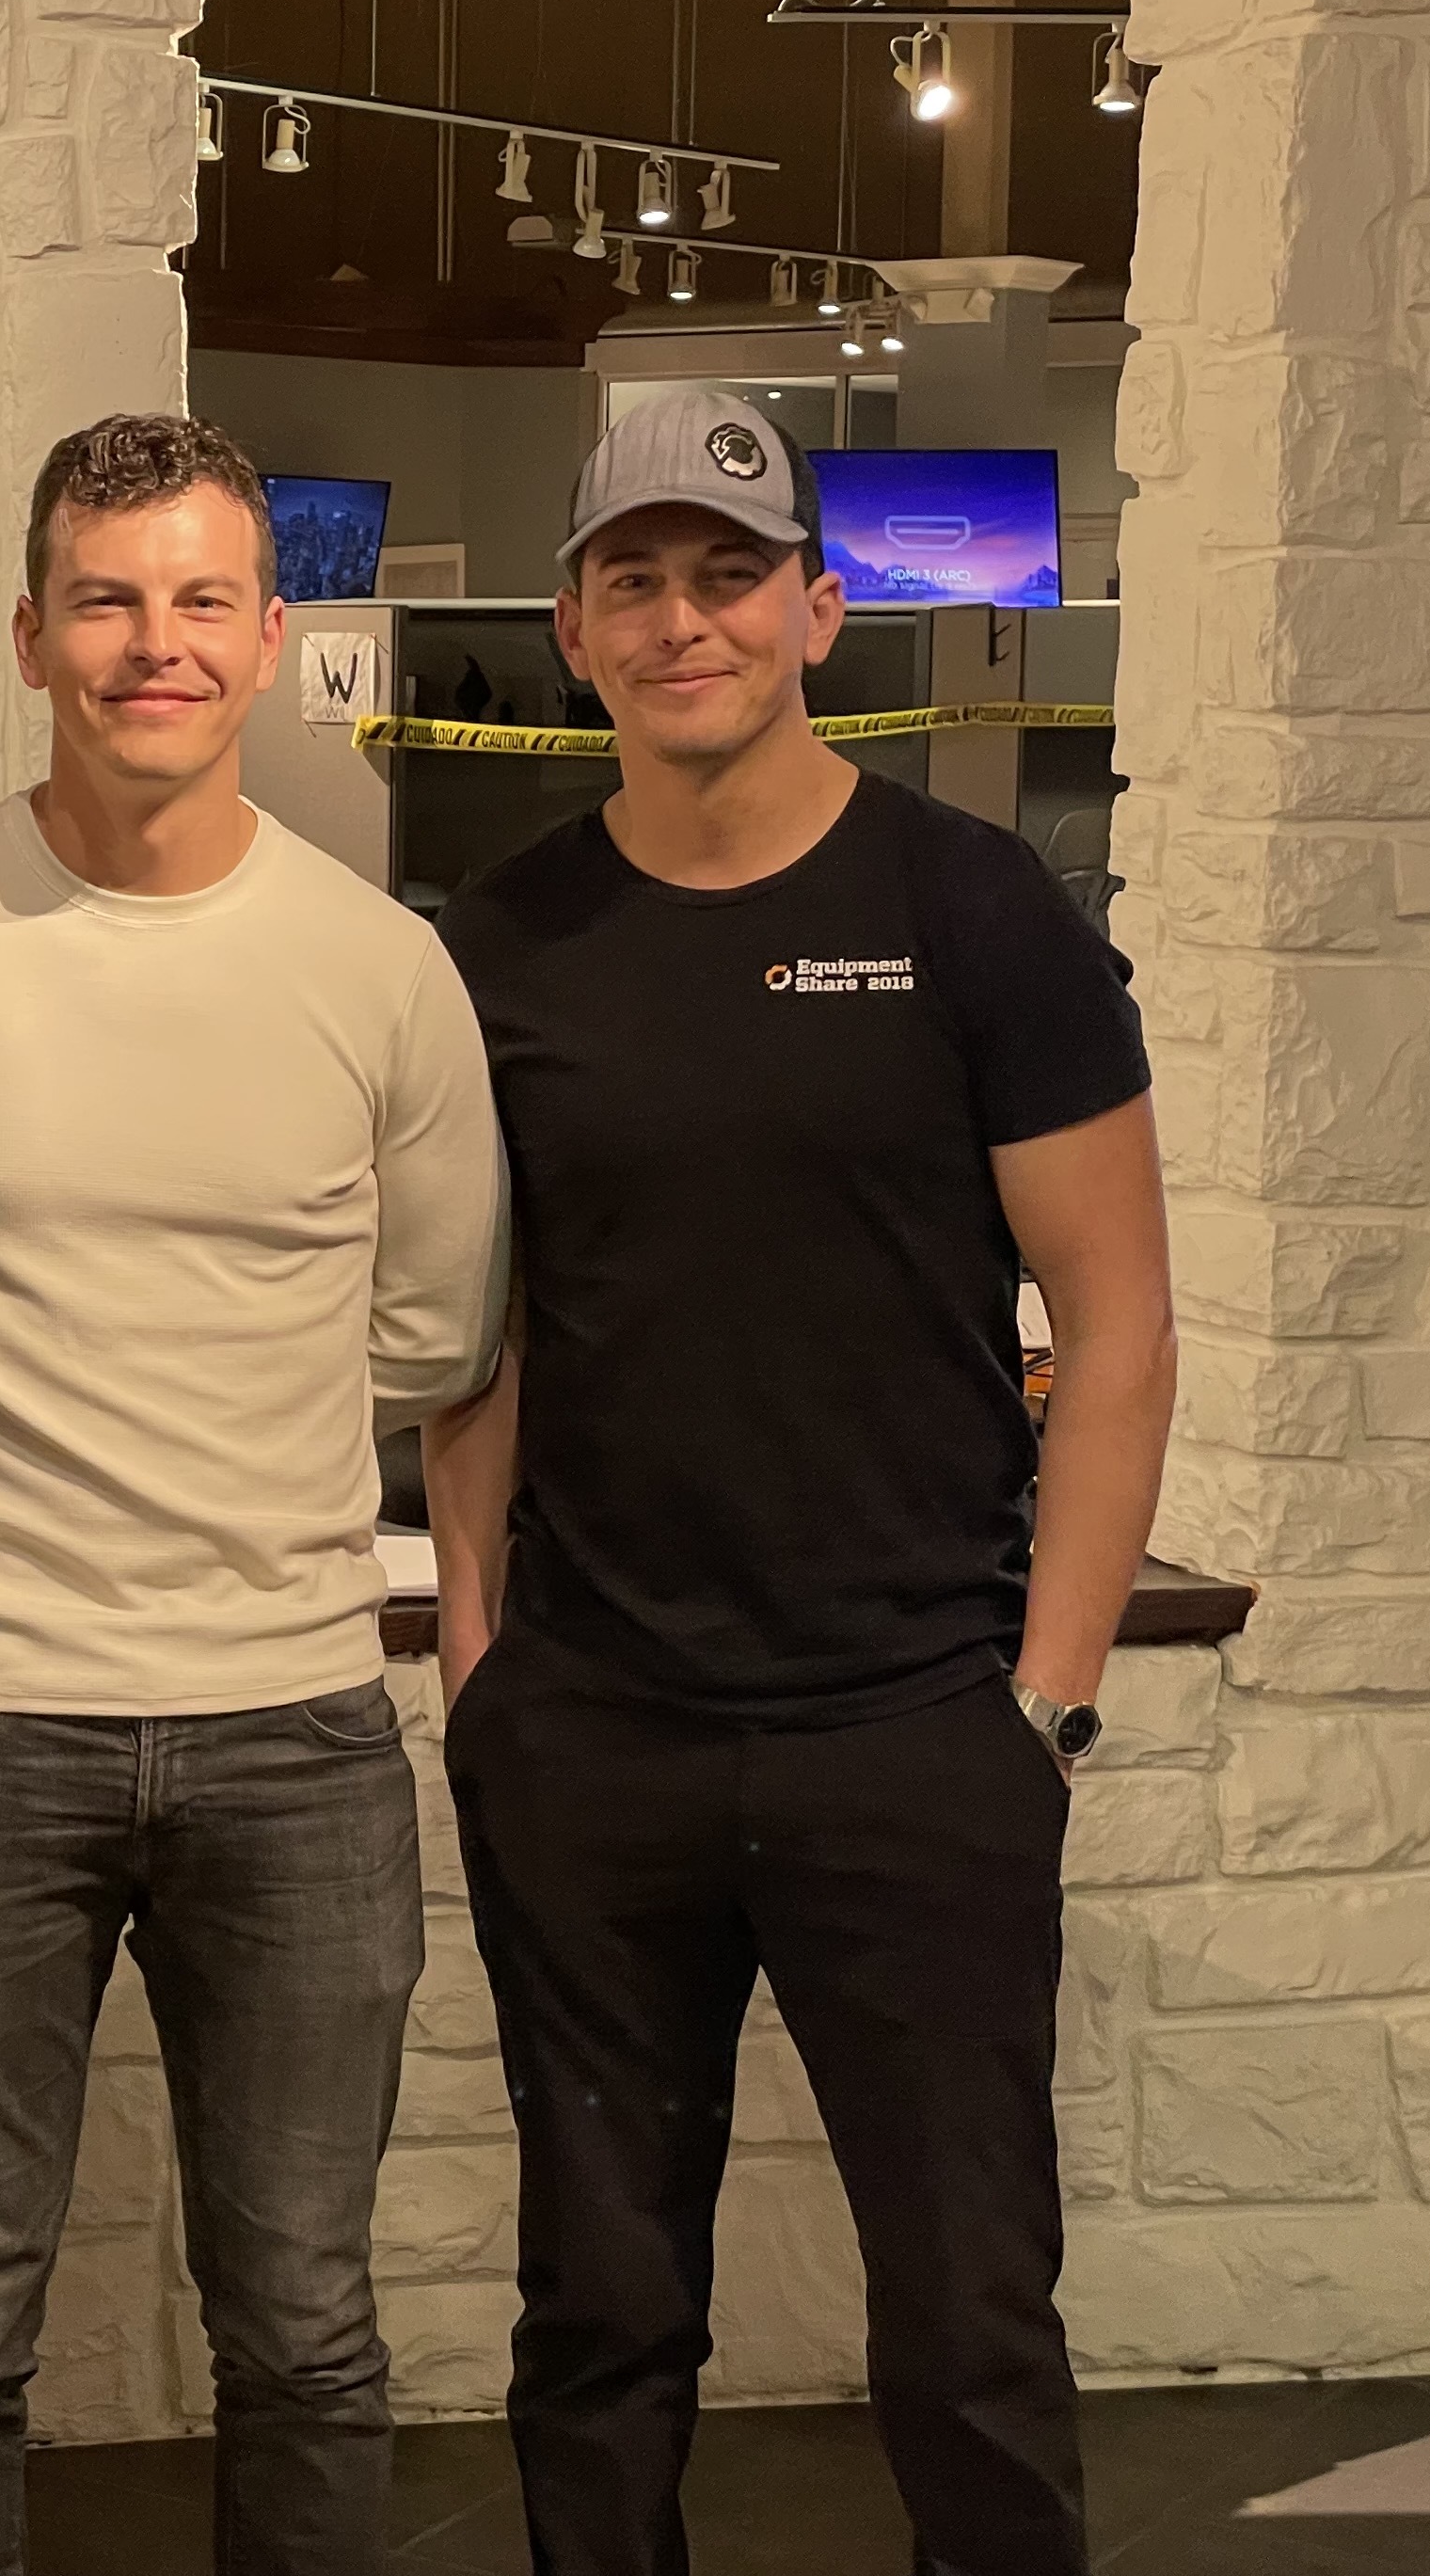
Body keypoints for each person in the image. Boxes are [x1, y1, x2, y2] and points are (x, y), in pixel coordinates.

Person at [430, 388, 1174, 2576]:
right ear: (574, 631)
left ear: (820, 611)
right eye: (636, 581)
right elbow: (485, 1340)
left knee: (969, 2326)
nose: (686, 621)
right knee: (599, 2320)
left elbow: (1117, 1325)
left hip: (918, 1729)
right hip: (597, 1738)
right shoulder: (500, 947)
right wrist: (481, 1662)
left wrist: (1044, 1704)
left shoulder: (976, 911)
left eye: (729, 576)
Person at [0, 414, 510, 2576]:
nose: (153, 644)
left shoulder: (379, 968)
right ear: (32, 637)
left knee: (304, 2322)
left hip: (294, 1726)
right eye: (105, 601)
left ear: (271, 638)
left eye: (202, 599)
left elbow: (433, 1334)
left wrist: (202, 1413)